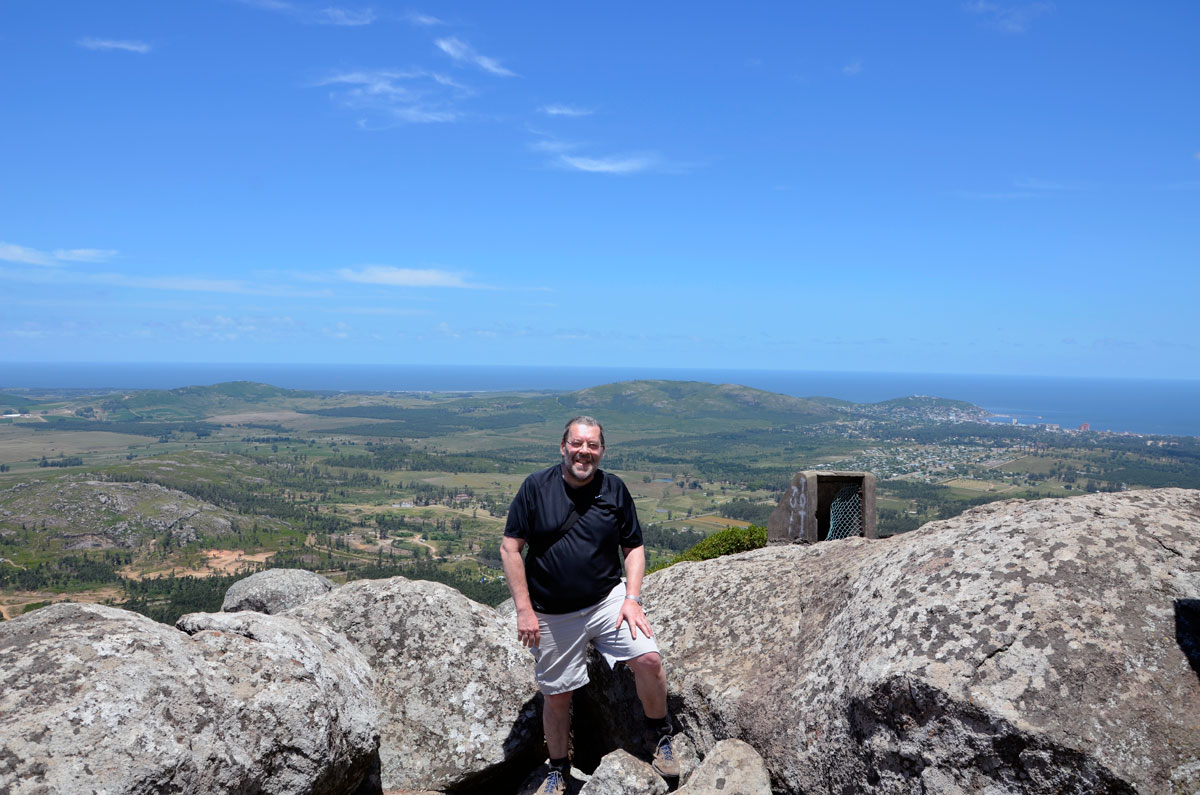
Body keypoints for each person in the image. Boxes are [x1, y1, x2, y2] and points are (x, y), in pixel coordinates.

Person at [500, 416, 678, 795]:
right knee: (558, 695)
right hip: (551, 610)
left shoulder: (614, 489)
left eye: (593, 445)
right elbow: (510, 548)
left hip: (605, 601)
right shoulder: (536, 488)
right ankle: (559, 769)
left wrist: (631, 599)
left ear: (602, 450)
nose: (585, 452)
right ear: (563, 446)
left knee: (648, 658)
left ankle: (658, 735)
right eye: (578, 444)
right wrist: (524, 610)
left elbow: (633, 547)